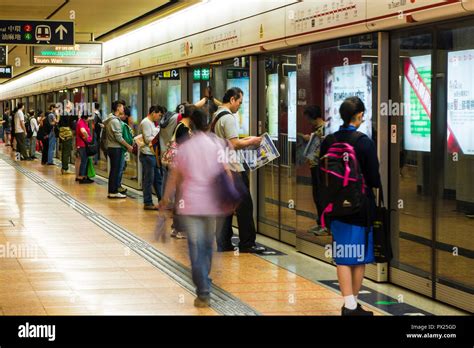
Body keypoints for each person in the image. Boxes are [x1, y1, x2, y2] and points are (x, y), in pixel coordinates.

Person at [160, 108, 231, 308]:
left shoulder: (186, 148)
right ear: (208, 124)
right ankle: (204, 282)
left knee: (195, 246)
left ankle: (203, 290)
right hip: (212, 204)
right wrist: (230, 196)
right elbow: (227, 172)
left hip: (190, 204)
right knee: (208, 245)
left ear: (191, 126)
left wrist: (165, 200)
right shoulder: (217, 144)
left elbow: (175, 177)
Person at [319, 96, 381, 316]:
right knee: (359, 256)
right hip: (359, 205)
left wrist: (322, 210)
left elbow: (321, 177)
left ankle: (351, 305)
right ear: (360, 115)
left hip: (335, 207)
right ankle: (351, 304)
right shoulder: (364, 142)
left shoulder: (329, 140)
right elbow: (374, 178)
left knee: (343, 255)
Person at [212, 87, 263, 253]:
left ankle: (224, 241)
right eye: (239, 102)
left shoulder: (216, 115)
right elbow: (233, 144)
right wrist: (251, 141)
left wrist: (247, 139)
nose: (239, 106)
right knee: (245, 205)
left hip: (220, 166)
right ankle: (247, 243)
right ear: (232, 99)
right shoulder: (228, 118)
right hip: (232, 167)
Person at [299, 105, 327, 236]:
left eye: (309, 119)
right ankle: (320, 222)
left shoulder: (325, 129)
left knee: (322, 196)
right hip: (314, 166)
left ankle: (325, 225)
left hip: (321, 167)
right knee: (317, 195)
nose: (309, 122)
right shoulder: (318, 130)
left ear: (314, 118)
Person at [104, 100, 133, 198]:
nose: (123, 109)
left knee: (114, 170)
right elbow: (119, 137)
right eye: (122, 107)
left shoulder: (111, 119)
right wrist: (128, 146)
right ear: (118, 108)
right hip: (115, 148)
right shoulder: (114, 121)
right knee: (115, 170)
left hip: (112, 147)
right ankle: (113, 191)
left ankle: (113, 191)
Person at [139, 105, 164, 209]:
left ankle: (162, 200)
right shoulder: (146, 122)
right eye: (159, 115)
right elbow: (148, 139)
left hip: (153, 154)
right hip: (147, 155)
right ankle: (148, 202)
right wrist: (157, 134)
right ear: (153, 112)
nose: (159, 117)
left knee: (158, 179)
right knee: (149, 179)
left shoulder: (153, 123)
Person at [117, 106, 134, 194]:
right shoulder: (122, 124)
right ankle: (118, 186)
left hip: (123, 148)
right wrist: (128, 146)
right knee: (120, 167)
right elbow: (121, 137)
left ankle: (118, 185)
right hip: (122, 148)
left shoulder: (123, 124)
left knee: (122, 167)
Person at [76, 111, 94, 184]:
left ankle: (84, 176)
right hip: (82, 144)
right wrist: (86, 138)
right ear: (86, 117)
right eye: (89, 117)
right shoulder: (81, 123)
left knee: (85, 160)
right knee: (84, 160)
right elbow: (83, 131)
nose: (89, 119)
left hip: (83, 144)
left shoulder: (82, 122)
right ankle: (81, 177)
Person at [58, 101, 75, 174]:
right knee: (66, 151)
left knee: (65, 150)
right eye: (69, 103)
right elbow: (70, 124)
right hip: (67, 134)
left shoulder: (62, 114)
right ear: (66, 106)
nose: (71, 104)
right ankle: (65, 168)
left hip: (63, 134)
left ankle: (64, 167)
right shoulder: (66, 114)